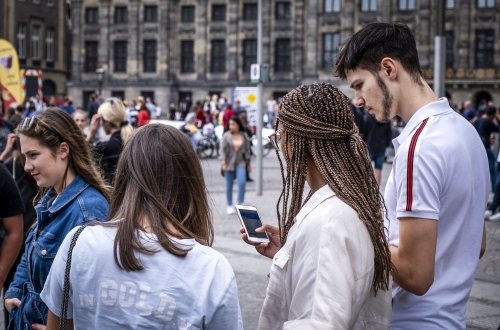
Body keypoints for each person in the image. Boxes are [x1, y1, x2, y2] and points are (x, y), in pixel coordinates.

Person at [335, 22, 489, 329]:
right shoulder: (465, 132)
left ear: (388, 68)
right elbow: (478, 241)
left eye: (359, 85)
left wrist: (356, 232)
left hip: (414, 321)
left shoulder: (419, 146)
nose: (358, 101)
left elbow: (416, 274)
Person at [40, 124, 243, 329]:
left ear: (124, 177)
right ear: (191, 183)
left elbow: (57, 324)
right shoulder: (211, 269)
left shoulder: (78, 242)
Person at [241, 83, 392, 329]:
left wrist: (310, 242)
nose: (280, 145)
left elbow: (317, 323)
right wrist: (292, 253)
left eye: (280, 137)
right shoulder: (351, 201)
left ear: (294, 142)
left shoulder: (327, 223)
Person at [3, 108, 110, 329]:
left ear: (62, 150)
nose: (26, 166)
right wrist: (14, 291)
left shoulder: (88, 210)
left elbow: (97, 297)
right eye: (24, 157)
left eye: (33, 155)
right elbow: (30, 251)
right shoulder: (49, 197)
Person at [87, 98, 134, 185]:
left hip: (112, 195)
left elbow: (79, 157)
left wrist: (91, 133)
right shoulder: (133, 140)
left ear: (106, 122)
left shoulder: (105, 147)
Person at [220, 117, 251, 215]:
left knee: (242, 183)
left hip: (240, 162)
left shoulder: (244, 135)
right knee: (229, 186)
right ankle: (229, 205)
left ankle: (240, 204)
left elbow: (247, 150)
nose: (230, 126)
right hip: (228, 163)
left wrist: (248, 163)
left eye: (233, 124)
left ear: (238, 125)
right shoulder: (226, 136)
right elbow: (222, 151)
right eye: (229, 124)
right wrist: (223, 162)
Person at [363, 110, 393, 185]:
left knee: (366, 169)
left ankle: (366, 188)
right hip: (381, 148)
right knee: (378, 170)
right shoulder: (386, 120)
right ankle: (376, 190)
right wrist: (386, 144)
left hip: (369, 146)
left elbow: (364, 131)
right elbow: (389, 134)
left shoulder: (368, 118)